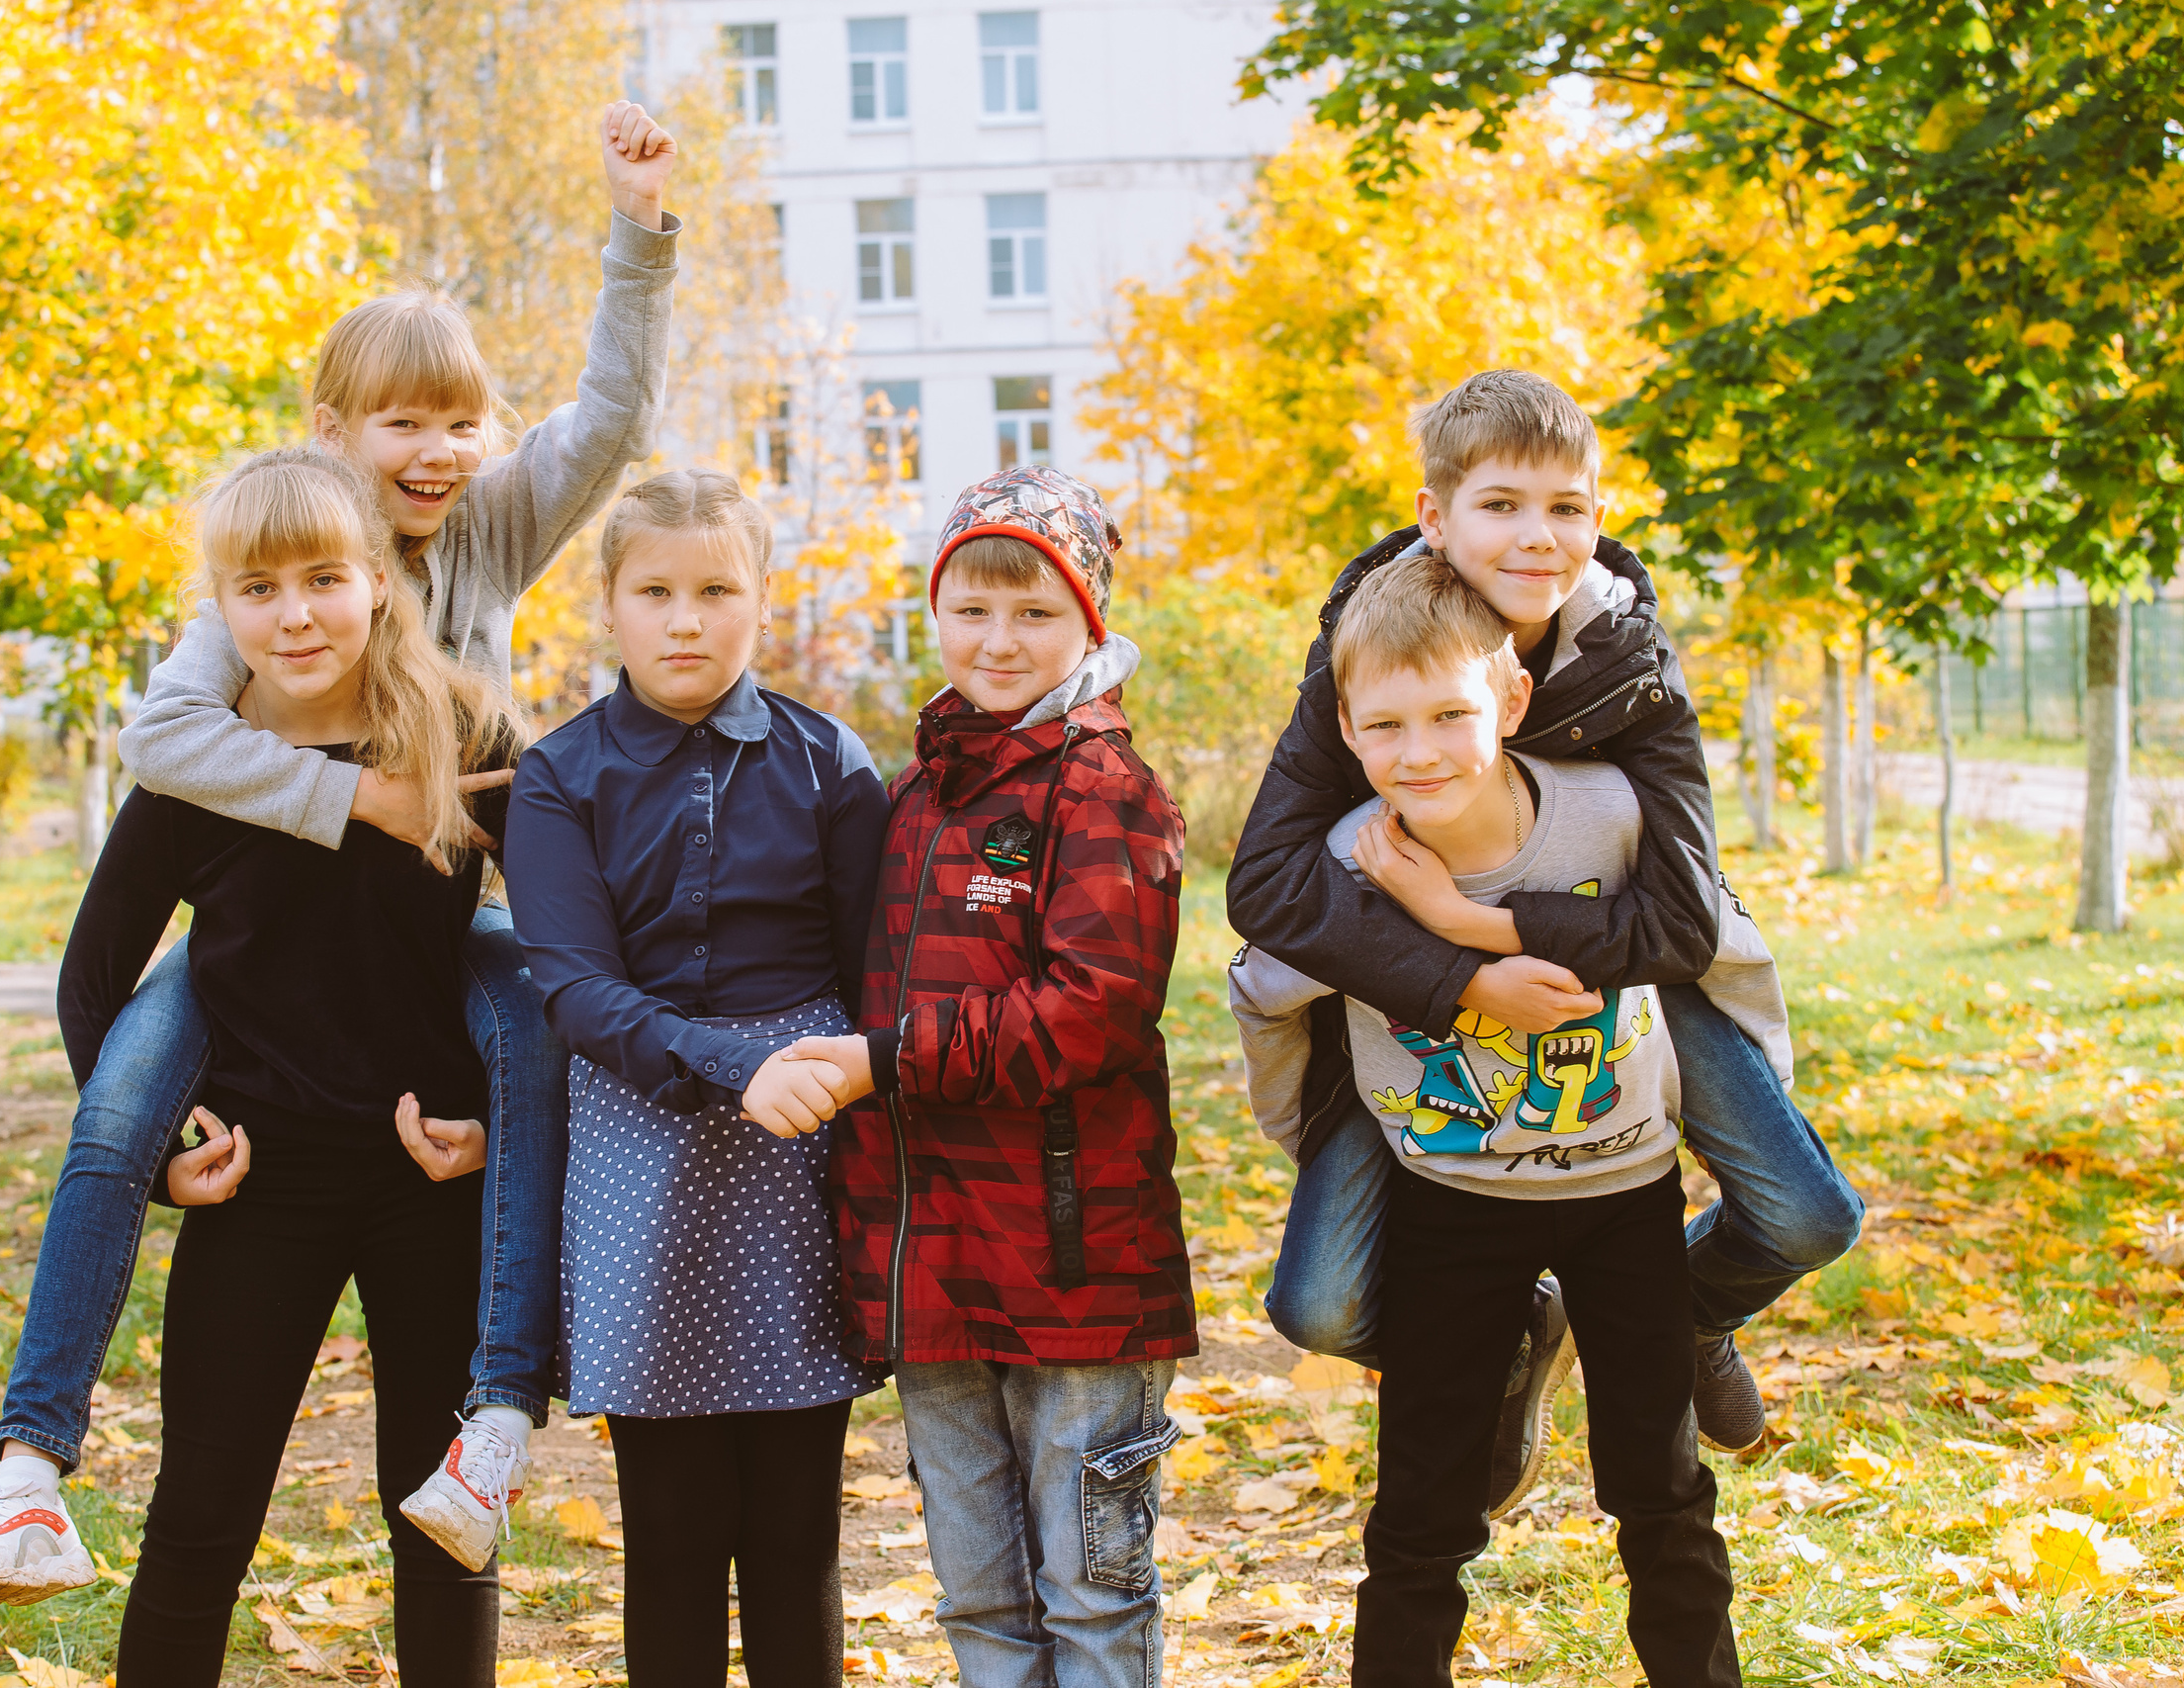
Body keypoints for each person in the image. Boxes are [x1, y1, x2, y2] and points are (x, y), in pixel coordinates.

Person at [0, 101, 681, 1615]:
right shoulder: (276, 579)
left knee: (527, 1031)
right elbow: (163, 743)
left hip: (442, 928)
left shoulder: (490, 529)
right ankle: (25, 1464)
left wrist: (640, 232)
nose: (437, 450)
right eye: (401, 422)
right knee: (126, 1089)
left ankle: (501, 1411)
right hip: (266, 943)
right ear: (331, 434)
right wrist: (364, 799)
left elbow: (608, 417)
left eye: (460, 420)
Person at [1225, 370, 1860, 1482]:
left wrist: (1475, 921)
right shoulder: (1370, 648)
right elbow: (1268, 886)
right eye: (1500, 505)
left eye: (1566, 507)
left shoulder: (1628, 664)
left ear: (1598, 516)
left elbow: (1681, 920)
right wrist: (1462, 979)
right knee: (1319, 1307)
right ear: (1436, 516)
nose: (1536, 536)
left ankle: (1679, 1313)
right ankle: (1517, 1333)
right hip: (1411, 1007)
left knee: (1809, 1217)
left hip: (1627, 979)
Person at [1231, 554, 1756, 1688]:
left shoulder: (1609, 819)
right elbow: (1264, 995)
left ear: (1512, 701)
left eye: (1448, 716)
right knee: (1422, 1512)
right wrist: (1309, 1140)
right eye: (1384, 725)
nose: (1417, 751)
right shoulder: (1344, 863)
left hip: (1625, 1199)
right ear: (1344, 728)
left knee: (1661, 1492)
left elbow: (1719, 948)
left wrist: (1741, 1091)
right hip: (1451, 1210)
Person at [47, 448, 515, 1683]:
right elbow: (92, 980)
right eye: (257, 590)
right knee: (200, 1518)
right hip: (259, 1185)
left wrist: (499, 1127)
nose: (294, 615)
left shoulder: (462, 733)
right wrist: (162, 1158)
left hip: (433, 1181)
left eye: (322, 580)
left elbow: (572, 953)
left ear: (379, 581)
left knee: (444, 1529)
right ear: (221, 610)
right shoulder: (199, 768)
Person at [783, 467, 1194, 1688]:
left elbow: (1091, 1012)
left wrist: (883, 1063)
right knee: (979, 1601)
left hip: (1076, 1267)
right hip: (934, 1267)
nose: (998, 640)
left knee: (1091, 1599)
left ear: (1089, 622)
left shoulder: (1107, 792)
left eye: (1034, 613)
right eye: (971, 610)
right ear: (935, 614)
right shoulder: (910, 796)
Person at [503, 470, 889, 1688]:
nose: (685, 621)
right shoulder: (559, 776)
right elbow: (576, 990)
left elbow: (873, 973)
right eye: (655, 592)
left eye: (717, 591)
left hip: (802, 1149)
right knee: (668, 1531)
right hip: (642, 1146)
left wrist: (828, 1083)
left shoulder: (829, 763)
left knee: (795, 1526)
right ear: (608, 604)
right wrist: (733, 1064)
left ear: (761, 599)